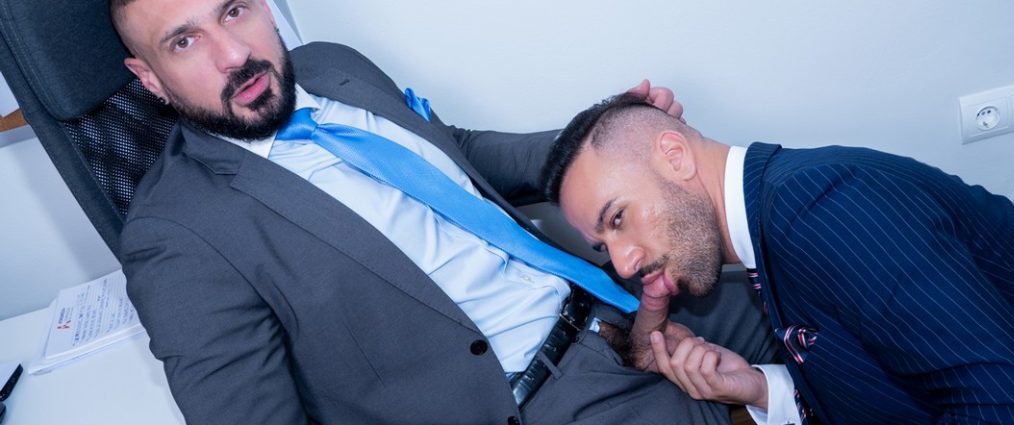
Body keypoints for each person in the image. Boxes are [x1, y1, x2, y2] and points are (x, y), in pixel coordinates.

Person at [107, 0, 779, 424]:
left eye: (233, 11)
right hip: (542, 399)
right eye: (184, 42)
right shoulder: (175, 238)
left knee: (812, 292)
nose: (234, 54)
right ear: (149, 78)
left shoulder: (330, 65)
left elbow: (453, 152)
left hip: (614, 304)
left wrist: (597, 138)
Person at [541, 93, 1014, 424]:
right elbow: (898, 378)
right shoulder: (774, 225)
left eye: (618, 218)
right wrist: (761, 388)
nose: (624, 263)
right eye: (603, 245)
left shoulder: (818, 207)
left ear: (675, 156)